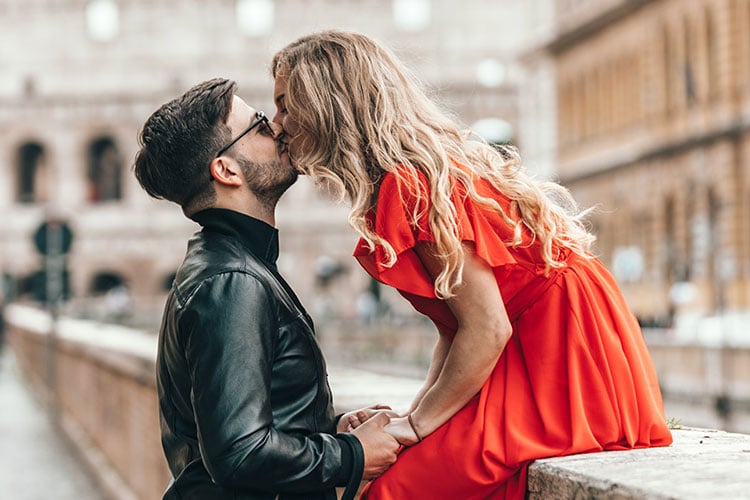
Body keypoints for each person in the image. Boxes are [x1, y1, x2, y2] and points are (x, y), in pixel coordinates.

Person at [270, 31, 673, 499]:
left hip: (558, 350)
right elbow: (456, 326)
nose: (277, 124)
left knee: (393, 491)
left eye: (285, 105)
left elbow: (486, 328)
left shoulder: (409, 184)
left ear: (326, 103)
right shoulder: (410, 178)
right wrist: (414, 418)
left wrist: (418, 426)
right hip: (544, 341)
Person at [133, 78, 400, 500]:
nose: (277, 127)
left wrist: (329, 429)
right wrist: (350, 455)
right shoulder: (232, 281)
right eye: (258, 124)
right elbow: (239, 453)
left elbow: (247, 423)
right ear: (226, 170)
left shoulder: (228, 267)